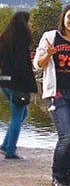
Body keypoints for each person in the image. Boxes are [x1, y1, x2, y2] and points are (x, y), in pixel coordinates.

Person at [34, 4, 70, 186]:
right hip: (57, 94)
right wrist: (49, 54)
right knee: (66, 136)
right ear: (63, 18)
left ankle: (68, 176)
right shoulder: (50, 37)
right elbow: (38, 64)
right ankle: (57, 176)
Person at [0, 11, 37, 160]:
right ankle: (10, 151)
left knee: (22, 114)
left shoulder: (5, 40)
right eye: (29, 22)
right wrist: (30, 85)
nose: (31, 24)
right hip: (17, 83)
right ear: (24, 23)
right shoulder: (21, 41)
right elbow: (22, 66)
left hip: (4, 81)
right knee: (17, 116)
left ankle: (5, 144)